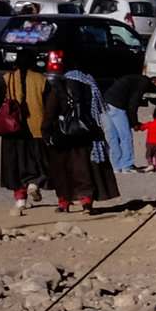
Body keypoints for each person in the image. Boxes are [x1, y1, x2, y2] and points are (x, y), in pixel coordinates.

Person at [42, 51, 119, 213]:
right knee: (85, 169)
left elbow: (50, 112)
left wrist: (46, 132)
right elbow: (97, 110)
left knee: (62, 171)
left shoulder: (59, 86)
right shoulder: (90, 85)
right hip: (86, 135)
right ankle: (86, 202)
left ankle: (64, 204)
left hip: (63, 136)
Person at [0, 59, 46, 211]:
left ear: (15, 65)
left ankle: (20, 200)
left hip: (13, 129)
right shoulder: (41, 79)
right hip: (36, 128)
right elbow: (49, 103)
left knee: (14, 165)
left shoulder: (7, 79)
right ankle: (33, 184)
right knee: (36, 161)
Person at [100, 67, 149, 175]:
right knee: (126, 136)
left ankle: (116, 166)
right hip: (116, 105)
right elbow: (133, 103)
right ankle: (127, 165)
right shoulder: (144, 82)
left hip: (105, 104)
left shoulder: (134, 79)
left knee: (113, 137)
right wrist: (134, 123)